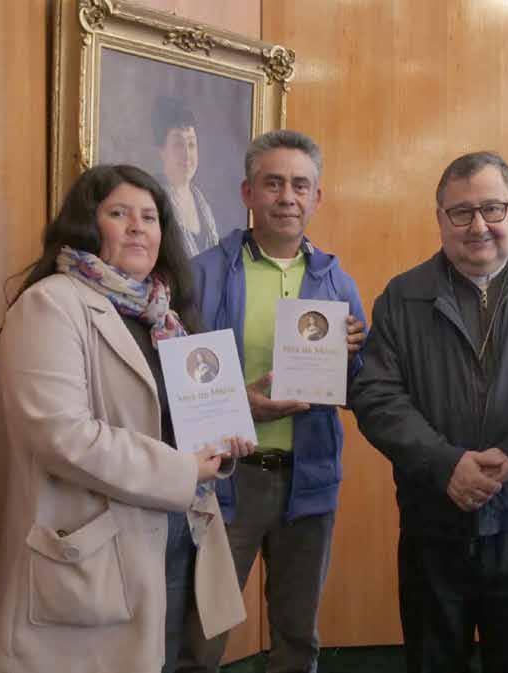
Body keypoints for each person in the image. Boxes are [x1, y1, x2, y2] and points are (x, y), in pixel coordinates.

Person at [0, 165, 255, 673]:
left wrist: (219, 443)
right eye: (119, 214)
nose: (137, 227)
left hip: (179, 536)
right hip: (97, 552)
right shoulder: (49, 304)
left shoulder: (165, 314)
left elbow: (174, 420)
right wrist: (183, 469)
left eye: (150, 217)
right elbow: (61, 437)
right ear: (87, 225)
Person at [350, 151, 508, 673]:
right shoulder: (402, 296)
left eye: (492, 208)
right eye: (461, 212)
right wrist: (445, 464)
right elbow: (376, 396)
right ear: (440, 219)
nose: (478, 226)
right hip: (433, 522)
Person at [177, 130, 367, 673]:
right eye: (273, 183)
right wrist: (241, 407)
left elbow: (359, 389)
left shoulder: (337, 283)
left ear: (316, 197)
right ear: (248, 192)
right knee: (202, 637)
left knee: (297, 637)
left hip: (308, 479)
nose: (287, 197)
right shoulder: (202, 274)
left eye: (300, 185)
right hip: (226, 480)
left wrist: (355, 356)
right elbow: (179, 383)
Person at [154, 97, 220, 257]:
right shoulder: (154, 200)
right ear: (161, 151)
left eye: (191, 144)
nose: (187, 155)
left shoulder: (202, 201)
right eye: (178, 144)